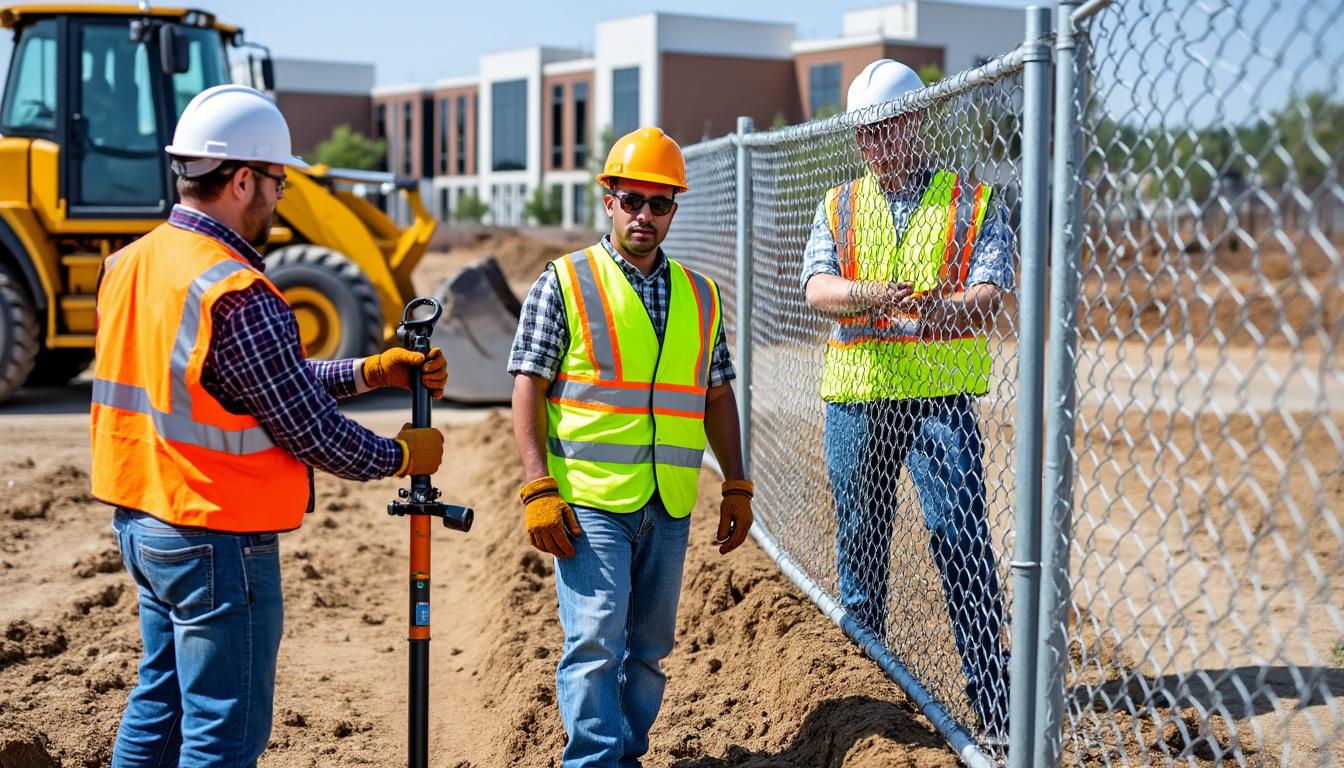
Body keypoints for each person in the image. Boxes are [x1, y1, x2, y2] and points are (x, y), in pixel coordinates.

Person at [91, 84, 448, 766]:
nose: (281, 199)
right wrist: (400, 457)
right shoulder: (235, 289)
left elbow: (244, 389)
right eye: (279, 184)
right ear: (244, 179)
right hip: (216, 540)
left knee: (159, 706)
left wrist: (370, 372)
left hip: (146, 523)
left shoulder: (130, 263)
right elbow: (305, 427)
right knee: (222, 735)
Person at [509, 127, 753, 768]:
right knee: (594, 640)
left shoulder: (703, 296)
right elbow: (528, 384)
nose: (645, 214)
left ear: (675, 208)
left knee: (648, 647)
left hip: (669, 502)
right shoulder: (564, 281)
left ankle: (626, 754)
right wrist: (538, 484)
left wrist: (736, 482)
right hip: (590, 500)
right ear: (609, 199)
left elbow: (717, 395)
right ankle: (593, 761)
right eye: (633, 199)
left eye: (660, 202)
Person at [801, 60, 1014, 739]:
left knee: (960, 539)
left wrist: (927, 316)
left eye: (889, 129)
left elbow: (987, 297)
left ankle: (996, 703)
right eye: (866, 133)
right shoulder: (838, 205)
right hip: (860, 399)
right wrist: (875, 297)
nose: (877, 144)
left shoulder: (971, 203)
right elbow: (817, 290)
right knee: (861, 541)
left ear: (916, 123)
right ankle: (870, 687)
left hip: (937, 400)